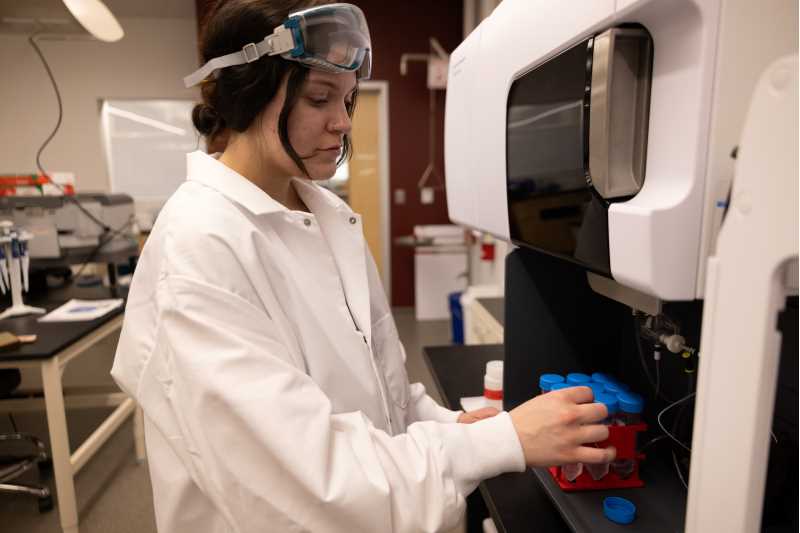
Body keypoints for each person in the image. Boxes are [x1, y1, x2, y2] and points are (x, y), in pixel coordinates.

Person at [111, 2, 614, 532]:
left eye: (347, 99)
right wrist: (497, 442)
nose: (344, 122)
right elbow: (310, 487)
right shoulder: (199, 248)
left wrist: (454, 424)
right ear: (246, 93)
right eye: (319, 98)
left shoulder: (327, 218)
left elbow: (382, 387)